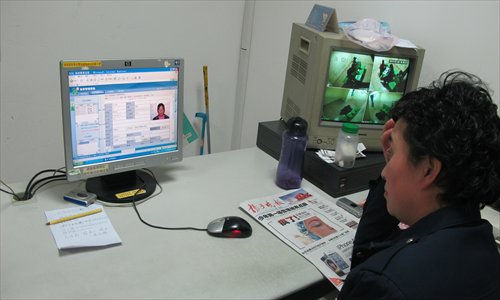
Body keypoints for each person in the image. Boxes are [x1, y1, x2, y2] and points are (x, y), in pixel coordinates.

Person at [338, 71, 500, 299]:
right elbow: (368, 255)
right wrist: (395, 159)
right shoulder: (485, 246)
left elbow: (371, 275)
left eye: (395, 153)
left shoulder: (386, 283)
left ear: (428, 170)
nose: (385, 171)